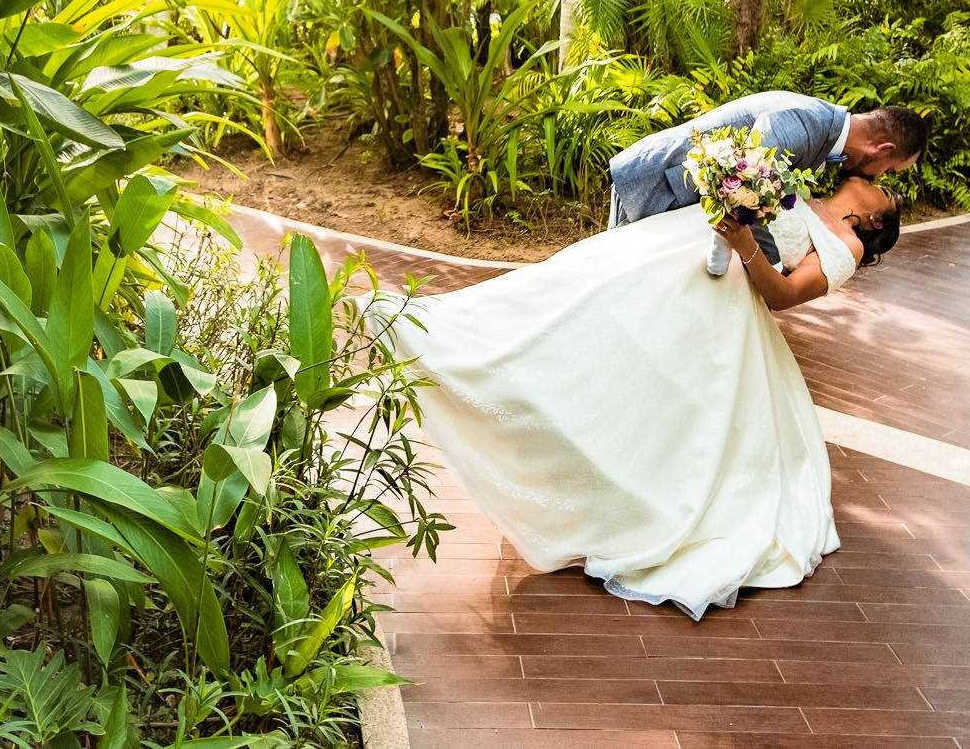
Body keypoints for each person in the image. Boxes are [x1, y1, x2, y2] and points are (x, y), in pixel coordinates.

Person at [368, 174, 903, 619]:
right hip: (671, 254)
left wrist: (743, 245)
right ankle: (443, 334)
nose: (876, 181)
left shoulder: (848, 245)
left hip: (718, 301)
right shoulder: (802, 183)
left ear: (875, 220)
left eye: (885, 191)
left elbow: (784, 295)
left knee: (643, 398)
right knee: (570, 298)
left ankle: (592, 481)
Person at [608, 92, 925, 272]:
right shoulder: (807, 122)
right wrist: (770, 265)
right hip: (656, 185)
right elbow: (748, 182)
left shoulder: (823, 137)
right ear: (883, 149)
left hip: (676, 200)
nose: (879, 177)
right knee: (616, 280)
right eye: (889, 170)